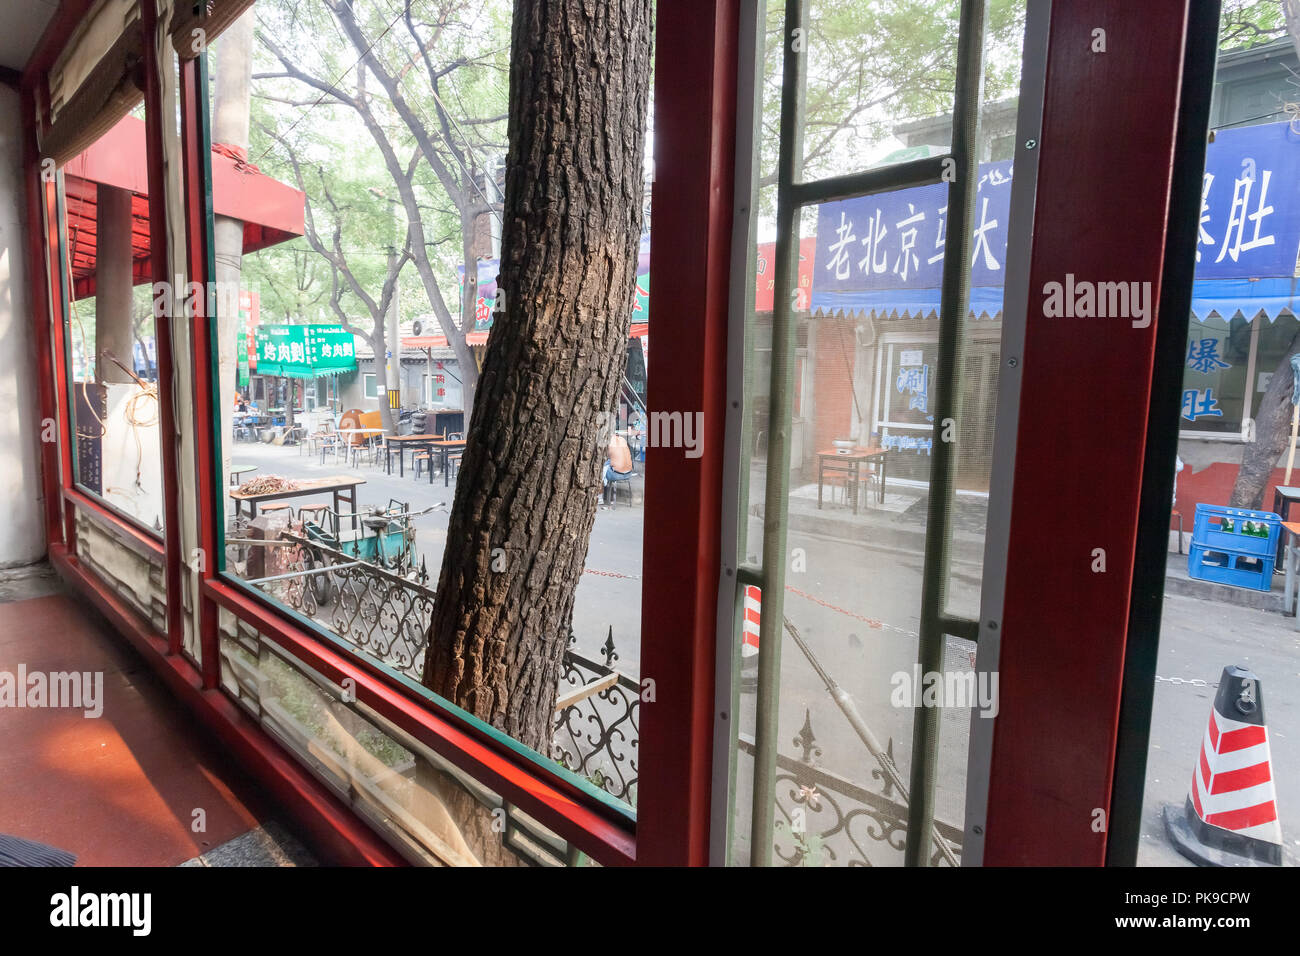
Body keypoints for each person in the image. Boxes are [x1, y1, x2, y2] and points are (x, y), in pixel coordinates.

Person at [602, 431, 634, 507]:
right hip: (629, 474)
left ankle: (599, 497)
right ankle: (611, 498)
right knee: (612, 462)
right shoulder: (623, 440)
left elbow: (604, 455)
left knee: (601, 466)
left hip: (616, 475)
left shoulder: (609, 442)